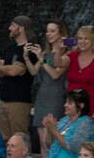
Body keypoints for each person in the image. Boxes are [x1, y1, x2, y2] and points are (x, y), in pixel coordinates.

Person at [27, 19, 70, 151]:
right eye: (47, 31)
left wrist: (42, 60)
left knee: (49, 138)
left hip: (55, 97)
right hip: (42, 96)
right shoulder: (46, 54)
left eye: (52, 31)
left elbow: (55, 75)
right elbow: (34, 71)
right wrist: (27, 57)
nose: (48, 34)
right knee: (42, 141)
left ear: (61, 34)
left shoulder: (66, 54)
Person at [0, 16, 36, 142]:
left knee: (19, 137)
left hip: (19, 101)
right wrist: (3, 68)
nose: (9, 28)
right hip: (3, 100)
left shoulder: (30, 49)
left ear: (21, 28)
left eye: (12, 25)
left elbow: (15, 71)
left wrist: (1, 67)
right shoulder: (10, 49)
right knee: (6, 138)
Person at [43, 89, 94, 158]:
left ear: (81, 105)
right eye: (66, 102)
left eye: (69, 103)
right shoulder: (65, 120)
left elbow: (72, 147)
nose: (65, 105)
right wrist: (48, 128)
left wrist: (54, 130)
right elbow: (50, 144)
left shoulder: (85, 123)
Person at [66, 26, 94, 113]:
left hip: (90, 107)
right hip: (72, 108)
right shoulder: (72, 55)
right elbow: (57, 63)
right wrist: (59, 49)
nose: (82, 41)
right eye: (80, 38)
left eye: (86, 39)